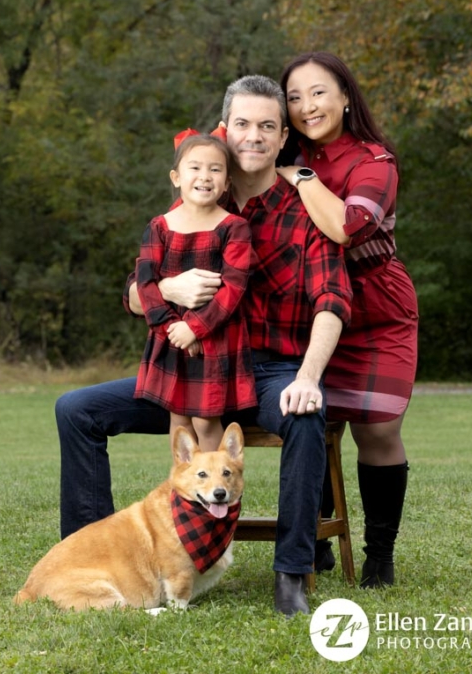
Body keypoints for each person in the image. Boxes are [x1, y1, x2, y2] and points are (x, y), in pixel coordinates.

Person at [55, 74, 353, 616]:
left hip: (268, 372)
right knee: (76, 409)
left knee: (306, 415)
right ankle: (86, 552)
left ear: (283, 137)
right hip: (195, 368)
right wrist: (167, 289)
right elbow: (134, 290)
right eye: (242, 123)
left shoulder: (303, 209)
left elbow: (333, 300)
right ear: (226, 128)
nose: (253, 136)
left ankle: (291, 575)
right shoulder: (197, 190)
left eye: (267, 126)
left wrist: (308, 377)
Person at [276, 51, 419, 588]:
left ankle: (379, 554)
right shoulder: (281, 148)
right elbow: (223, 149)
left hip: (377, 308)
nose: (307, 105)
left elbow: (348, 225)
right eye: (294, 96)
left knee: (377, 431)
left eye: (318, 92)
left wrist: (300, 175)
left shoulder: (374, 159)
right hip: (308, 305)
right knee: (312, 415)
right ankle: (317, 540)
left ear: (344, 96)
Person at [134, 130, 256, 451]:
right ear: (176, 177)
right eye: (195, 168)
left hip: (214, 339)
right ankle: (184, 495)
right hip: (171, 339)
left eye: (215, 169)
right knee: (179, 420)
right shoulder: (160, 227)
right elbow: (145, 285)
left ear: (227, 182)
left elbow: (234, 288)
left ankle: (218, 492)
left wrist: (195, 328)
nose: (205, 176)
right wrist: (172, 330)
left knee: (205, 419)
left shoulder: (233, 227)